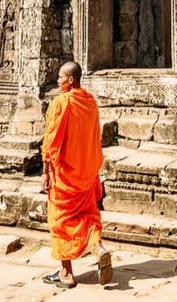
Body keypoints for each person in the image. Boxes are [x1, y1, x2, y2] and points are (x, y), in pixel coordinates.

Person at [41, 61, 113, 289]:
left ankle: (66, 273)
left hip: (64, 174)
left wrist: (45, 172)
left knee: (60, 220)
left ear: (71, 80)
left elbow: (51, 141)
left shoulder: (61, 103)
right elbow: (94, 136)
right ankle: (99, 247)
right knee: (88, 213)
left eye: (61, 77)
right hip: (86, 170)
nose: (58, 80)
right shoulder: (90, 102)